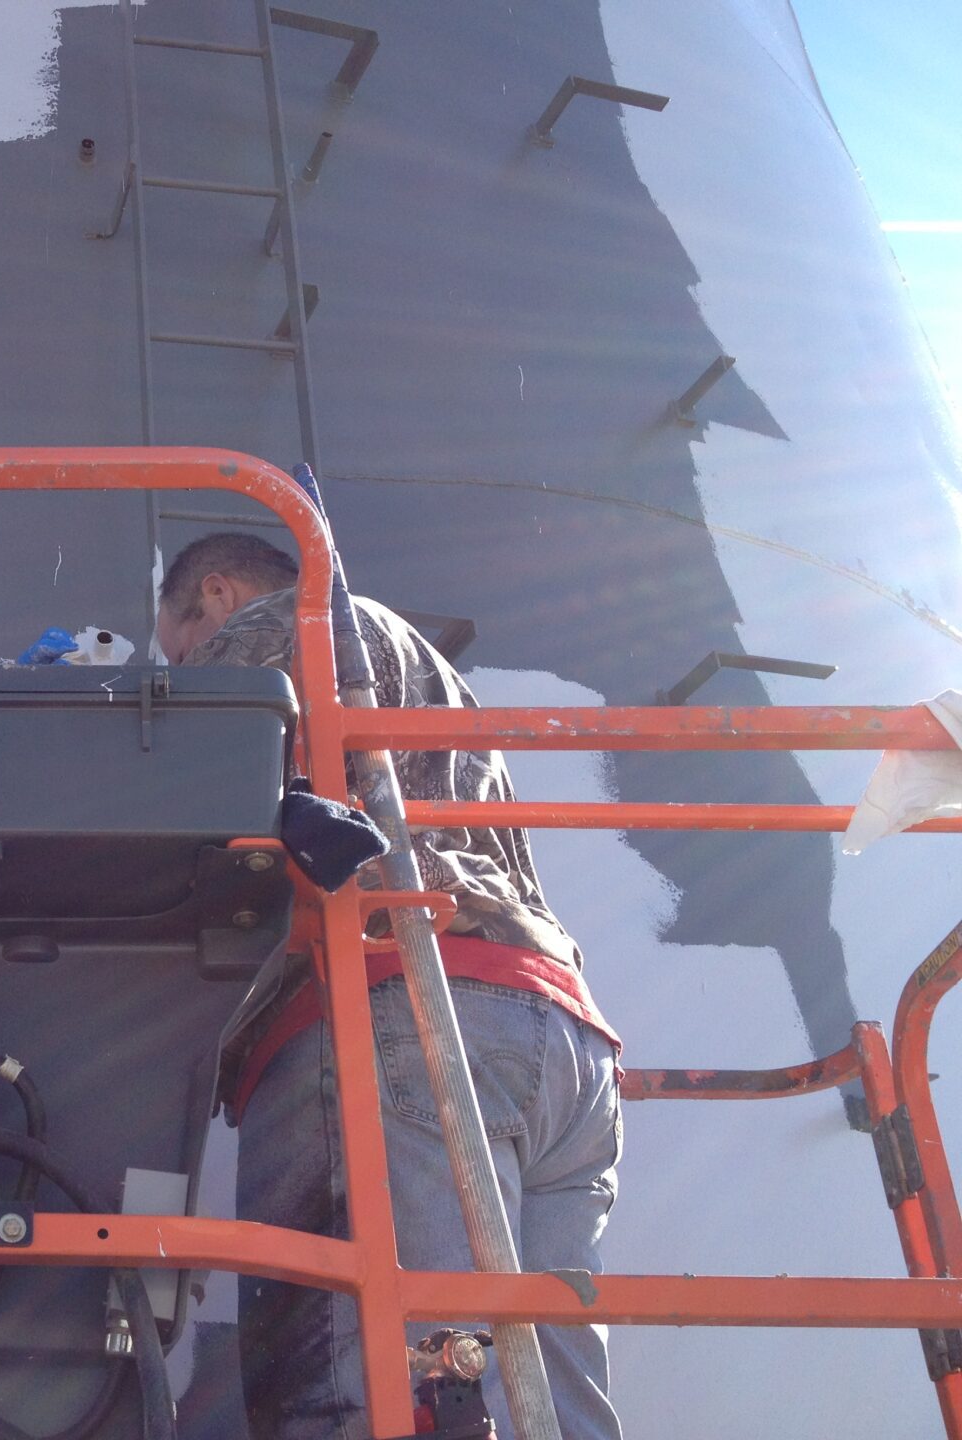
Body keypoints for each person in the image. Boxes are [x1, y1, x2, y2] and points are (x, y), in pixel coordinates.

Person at [157, 533, 622, 1440]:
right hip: (556, 1034)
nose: (185, 672)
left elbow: (182, 781)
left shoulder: (284, 624)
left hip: (401, 1009)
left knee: (373, 1388)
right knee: (550, 1402)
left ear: (216, 595)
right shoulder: (420, 667)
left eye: (179, 651)